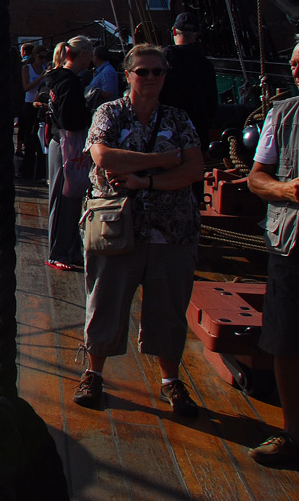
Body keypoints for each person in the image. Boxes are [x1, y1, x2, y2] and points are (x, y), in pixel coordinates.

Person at [72, 43, 203, 419]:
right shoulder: (109, 113)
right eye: (142, 71)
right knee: (105, 301)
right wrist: (163, 161)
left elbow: (194, 170)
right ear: (127, 74)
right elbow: (104, 156)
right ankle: (93, 374)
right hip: (116, 225)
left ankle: (170, 381)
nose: (150, 78)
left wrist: (145, 182)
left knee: (168, 308)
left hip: (171, 230)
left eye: (157, 72)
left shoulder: (178, 119)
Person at [244, 34, 299, 466]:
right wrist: (287, 189)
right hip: (293, 243)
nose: (298, 73)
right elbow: (256, 179)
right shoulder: (282, 116)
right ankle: (292, 433)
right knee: (286, 340)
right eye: (295, 64)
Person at [44, 36, 94, 271]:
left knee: (69, 198)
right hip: (67, 144)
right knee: (64, 199)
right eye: (89, 54)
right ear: (82, 55)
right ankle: (59, 252)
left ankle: (70, 250)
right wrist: (88, 111)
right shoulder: (70, 83)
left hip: (60, 142)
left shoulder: (58, 79)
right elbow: (69, 119)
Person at [160, 11, 217, 139]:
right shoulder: (206, 64)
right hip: (196, 131)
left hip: (168, 130)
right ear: (197, 34)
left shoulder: (164, 58)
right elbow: (212, 105)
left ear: (174, 31)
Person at [18, 43, 46, 180]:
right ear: (34, 56)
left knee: (39, 139)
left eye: (44, 58)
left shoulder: (44, 68)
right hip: (29, 104)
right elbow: (26, 87)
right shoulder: (26, 68)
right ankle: (26, 170)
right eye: (41, 57)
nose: (42, 60)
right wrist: (41, 78)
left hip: (40, 105)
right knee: (29, 138)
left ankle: (39, 172)